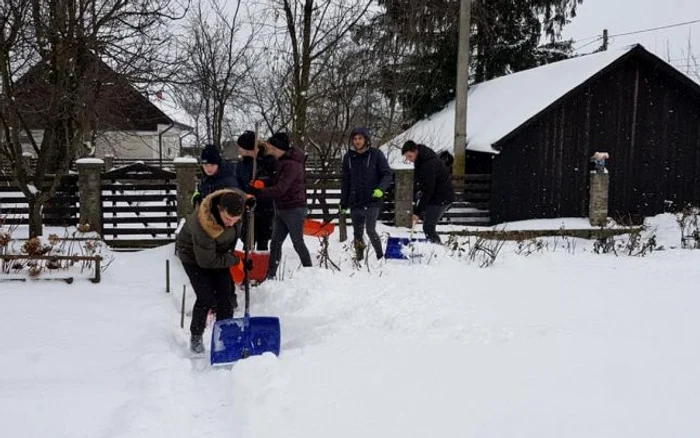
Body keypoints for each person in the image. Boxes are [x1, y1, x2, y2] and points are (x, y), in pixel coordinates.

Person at [175, 188, 248, 354]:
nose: (231, 223)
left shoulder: (233, 206)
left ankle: (225, 336)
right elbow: (207, 261)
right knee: (205, 296)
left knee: (226, 296)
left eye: (236, 220)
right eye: (228, 219)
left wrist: (250, 201)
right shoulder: (203, 226)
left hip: (217, 251)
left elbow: (241, 194)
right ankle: (196, 336)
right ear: (219, 210)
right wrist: (236, 260)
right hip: (194, 257)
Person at [249, 132, 312, 279]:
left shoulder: (292, 165)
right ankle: (270, 275)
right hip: (282, 208)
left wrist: (258, 192)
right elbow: (275, 181)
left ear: (278, 148)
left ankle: (310, 274)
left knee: (298, 242)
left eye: (271, 147)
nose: (269, 150)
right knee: (275, 243)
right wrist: (263, 182)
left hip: (294, 208)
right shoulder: (281, 161)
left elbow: (280, 189)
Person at [340, 127, 393, 260]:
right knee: (357, 233)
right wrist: (343, 202)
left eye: (360, 138)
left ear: (366, 140)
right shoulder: (348, 157)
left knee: (370, 230)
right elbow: (345, 181)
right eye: (355, 138)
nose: (357, 141)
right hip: (355, 201)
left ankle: (380, 257)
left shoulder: (376, 154)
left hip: (372, 200)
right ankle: (359, 259)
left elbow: (387, 174)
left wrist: (381, 189)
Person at [401, 140, 455, 244]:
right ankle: (435, 250)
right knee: (428, 226)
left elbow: (428, 190)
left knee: (428, 227)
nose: (409, 159)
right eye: (407, 157)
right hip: (435, 196)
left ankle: (439, 253)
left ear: (415, 151)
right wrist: (417, 194)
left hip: (441, 197)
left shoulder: (428, 164)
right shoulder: (421, 159)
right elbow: (421, 183)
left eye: (410, 156)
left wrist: (417, 212)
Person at [235, 130, 276, 251]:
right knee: (247, 240)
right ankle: (247, 266)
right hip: (248, 206)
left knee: (262, 240)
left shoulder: (268, 161)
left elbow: (275, 181)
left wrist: (262, 184)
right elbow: (239, 182)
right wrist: (244, 193)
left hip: (264, 207)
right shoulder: (242, 164)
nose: (239, 150)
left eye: (241, 147)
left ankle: (261, 266)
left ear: (249, 149)